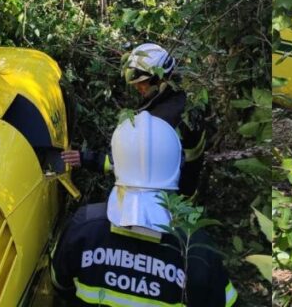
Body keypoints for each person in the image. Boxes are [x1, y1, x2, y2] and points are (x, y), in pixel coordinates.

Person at [50, 111, 238, 306]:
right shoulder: (197, 248)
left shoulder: (84, 225)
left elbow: (60, 285)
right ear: (177, 166)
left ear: (117, 164)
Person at [62, 43, 208, 197]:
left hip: (169, 199)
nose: (138, 86)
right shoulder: (176, 98)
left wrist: (88, 159)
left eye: (142, 81)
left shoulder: (167, 115)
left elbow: (134, 161)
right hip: (179, 191)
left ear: (159, 78)